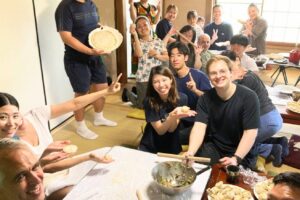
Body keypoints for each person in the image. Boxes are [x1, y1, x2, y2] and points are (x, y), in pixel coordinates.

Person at [55, 0, 117, 140]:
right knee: (82, 93)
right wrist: (89, 51)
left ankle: (98, 117)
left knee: (102, 87)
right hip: (76, 59)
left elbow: (96, 26)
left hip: (94, 56)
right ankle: (80, 126)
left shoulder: (91, 4)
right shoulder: (65, 7)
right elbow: (66, 37)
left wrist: (102, 31)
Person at [184, 55, 260, 169]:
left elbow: (250, 132)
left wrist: (236, 158)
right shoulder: (205, 98)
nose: (218, 76)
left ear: (230, 73)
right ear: (209, 77)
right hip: (215, 147)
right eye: (213, 73)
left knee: (234, 181)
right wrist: (190, 152)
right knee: (198, 171)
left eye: (222, 71)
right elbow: (199, 127)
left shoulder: (249, 97)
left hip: (241, 151)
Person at [221, 50, 288, 167]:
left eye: (228, 66)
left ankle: (251, 167)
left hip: (266, 120)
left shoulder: (246, 79)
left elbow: (232, 104)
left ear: (237, 61)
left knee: (240, 141)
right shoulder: (249, 74)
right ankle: (274, 145)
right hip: (273, 117)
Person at [139, 66, 196, 154]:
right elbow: (160, 131)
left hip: (171, 145)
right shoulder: (150, 102)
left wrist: (174, 116)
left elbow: (171, 129)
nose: (161, 85)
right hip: (151, 146)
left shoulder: (182, 98)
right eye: (156, 82)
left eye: (164, 80)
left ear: (171, 80)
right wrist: (172, 115)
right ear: (152, 84)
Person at [168, 42, 211, 144]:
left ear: (186, 58)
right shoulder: (171, 79)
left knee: (174, 139)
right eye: (172, 56)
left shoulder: (199, 76)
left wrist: (195, 90)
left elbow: (211, 100)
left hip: (198, 122)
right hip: (180, 119)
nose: (175, 59)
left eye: (179, 55)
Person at [125, 16, 168, 109]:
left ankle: (138, 92)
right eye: (139, 27)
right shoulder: (137, 42)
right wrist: (135, 35)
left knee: (158, 104)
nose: (143, 28)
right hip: (143, 77)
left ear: (150, 26)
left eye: (145, 25)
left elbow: (166, 57)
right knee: (142, 106)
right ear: (136, 30)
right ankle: (128, 93)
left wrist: (157, 55)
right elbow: (139, 54)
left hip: (157, 78)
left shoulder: (159, 41)